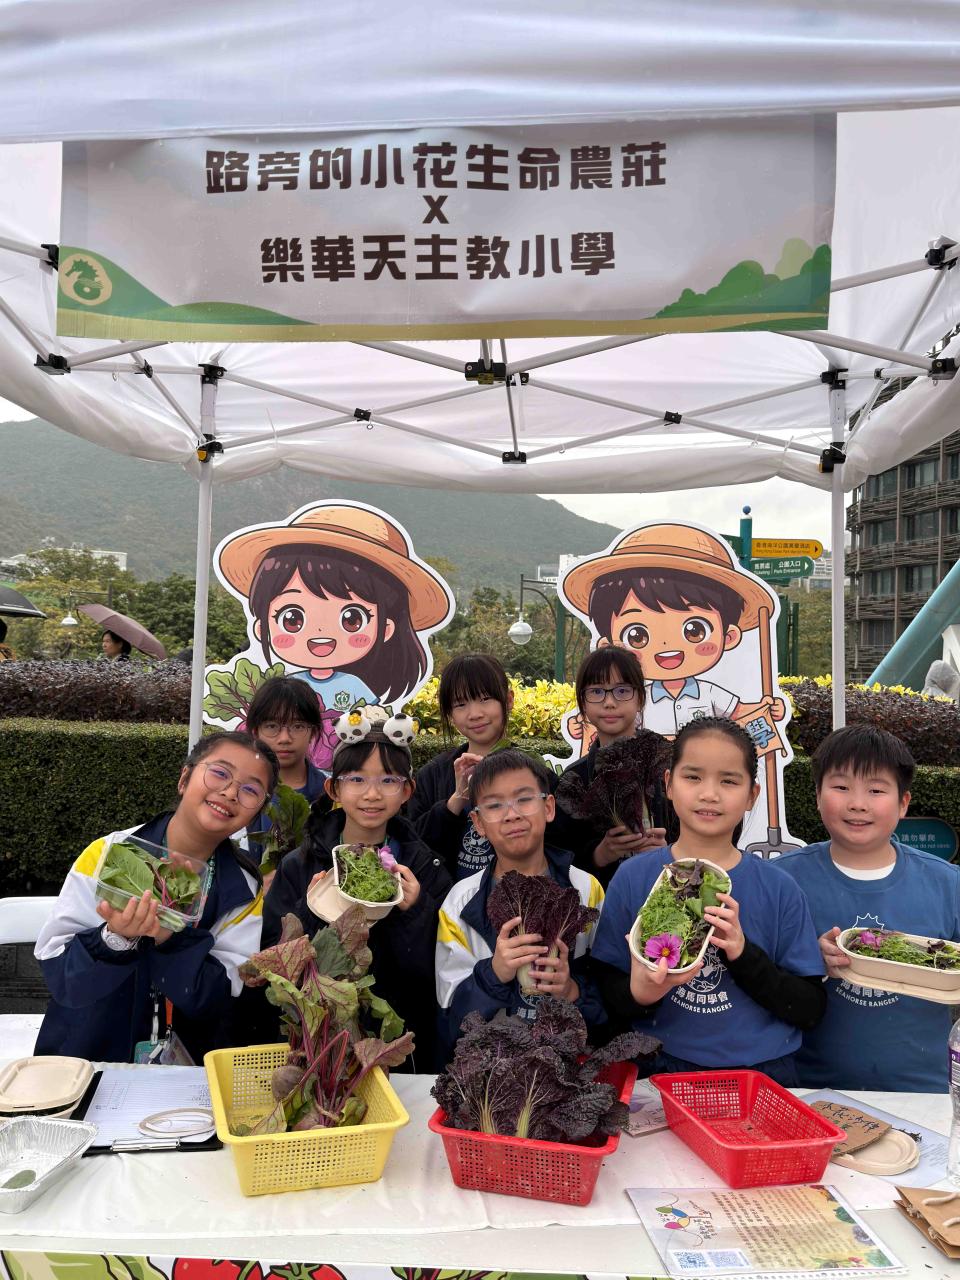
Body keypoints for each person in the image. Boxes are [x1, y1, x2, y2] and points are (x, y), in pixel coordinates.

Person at [591, 718, 825, 1086]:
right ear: (669, 784)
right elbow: (606, 994)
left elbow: (810, 1008)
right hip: (660, 1069)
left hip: (763, 1074)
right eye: (693, 777)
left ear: (752, 795)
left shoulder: (780, 888)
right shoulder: (633, 878)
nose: (710, 794)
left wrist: (742, 953)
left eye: (728, 781)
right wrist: (642, 992)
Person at [34, 731, 278, 1063]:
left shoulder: (244, 891)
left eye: (251, 790)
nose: (230, 792)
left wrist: (170, 936)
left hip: (182, 1074)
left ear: (258, 810)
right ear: (184, 778)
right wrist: (114, 938)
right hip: (86, 1059)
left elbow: (217, 998)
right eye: (220, 773)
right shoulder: (109, 854)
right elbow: (63, 977)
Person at [778, 725, 960, 1092]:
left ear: (903, 803)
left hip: (926, 1094)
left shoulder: (948, 884)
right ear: (817, 796)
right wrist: (808, 962)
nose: (858, 804)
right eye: (841, 787)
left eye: (876, 790)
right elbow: (754, 979)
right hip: (809, 1091)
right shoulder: (782, 881)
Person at [263, 718, 452, 1071]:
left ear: (407, 791)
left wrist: (416, 910)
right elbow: (274, 963)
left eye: (388, 780)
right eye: (357, 779)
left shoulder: (426, 869)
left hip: (395, 1048)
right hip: (316, 1044)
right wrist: (310, 909)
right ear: (334, 788)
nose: (372, 794)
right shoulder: (300, 865)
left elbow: (436, 974)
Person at [217, 503, 452, 769]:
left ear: (386, 629)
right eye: (293, 618)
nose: (320, 633)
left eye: (351, 619)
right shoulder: (286, 687)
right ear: (263, 628)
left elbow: (373, 726)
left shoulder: (355, 687)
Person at [435, 749, 605, 1065]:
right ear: (478, 823)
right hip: (493, 1070)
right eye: (494, 805)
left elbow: (608, 997)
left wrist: (571, 991)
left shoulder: (585, 889)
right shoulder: (460, 902)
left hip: (568, 1068)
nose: (511, 814)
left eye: (524, 799)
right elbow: (450, 1017)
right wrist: (494, 973)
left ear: (549, 807)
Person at [551, 646, 671, 885]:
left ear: (640, 698)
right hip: (606, 901)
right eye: (596, 691)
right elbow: (558, 857)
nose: (609, 702)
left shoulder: (671, 767)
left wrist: (671, 852)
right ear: (583, 703)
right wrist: (600, 855)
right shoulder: (574, 780)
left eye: (622, 690)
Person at [407, 653, 517, 880]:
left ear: (508, 700)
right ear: (450, 713)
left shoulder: (531, 771)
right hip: (447, 900)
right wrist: (456, 801)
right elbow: (413, 846)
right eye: (460, 704)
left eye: (485, 699)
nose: (475, 714)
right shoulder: (432, 775)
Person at [243, 676, 327, 878]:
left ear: (313, 732)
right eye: (272, 726)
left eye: (297, 726)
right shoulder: (235, 793)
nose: (284, 739)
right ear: (256, 731)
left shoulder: (331, 795)